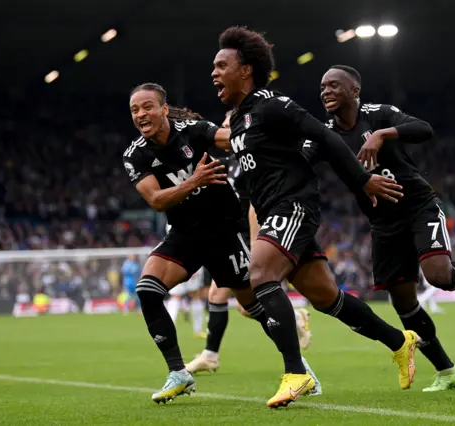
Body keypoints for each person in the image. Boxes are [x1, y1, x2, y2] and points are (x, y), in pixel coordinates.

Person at [212, 26, 420, 408]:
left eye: (222, 65)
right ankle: (399, 341)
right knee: (328, 298)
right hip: (273, 210)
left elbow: (326, 138)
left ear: (246, 70)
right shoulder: (239, 119)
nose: (214, 73)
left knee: (260, 275)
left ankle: (297, 372)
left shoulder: (274, 105)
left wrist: (362, 180)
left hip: (292, 206)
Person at [307, 64, 455, 391]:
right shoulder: (325, 134)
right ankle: (447, 371)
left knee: (439, 276)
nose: (326, 92)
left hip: (418, 206)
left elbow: (423, 129)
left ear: (354, 91)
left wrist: (382, 134)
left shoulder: (378, 115)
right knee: (403, 301)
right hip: (382, 223)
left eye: (334, 85)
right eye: (322, 87)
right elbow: (301, 159)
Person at [123, 83, 320, 404]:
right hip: (184, 234)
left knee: (253, 308)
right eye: (134, 110)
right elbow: (157, 200)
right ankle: (179, 373)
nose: (141, 114)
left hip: (224, 233)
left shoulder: (195, 131)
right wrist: (194, 181)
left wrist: (286, 137)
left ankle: (300, 370)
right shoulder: (135, 155)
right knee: (147, 290)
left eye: (147, 107)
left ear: (163, 108)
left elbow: (235, 140)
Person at [186, 111, 312, 375]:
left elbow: (255, 204)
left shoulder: (250, 161)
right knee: (228, 299)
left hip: (248, 234)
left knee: (229, 298)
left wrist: (256, 243)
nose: (219, 131)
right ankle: (212, 353)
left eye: (224, 126)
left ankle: (292, 336)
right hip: (231, 235)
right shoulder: (231, 161)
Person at [165, 266, 207, 339]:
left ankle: (168, 331)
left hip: (182, 264)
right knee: (180, 296)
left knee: (190, 296)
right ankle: (197, 331)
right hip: (186, 264)